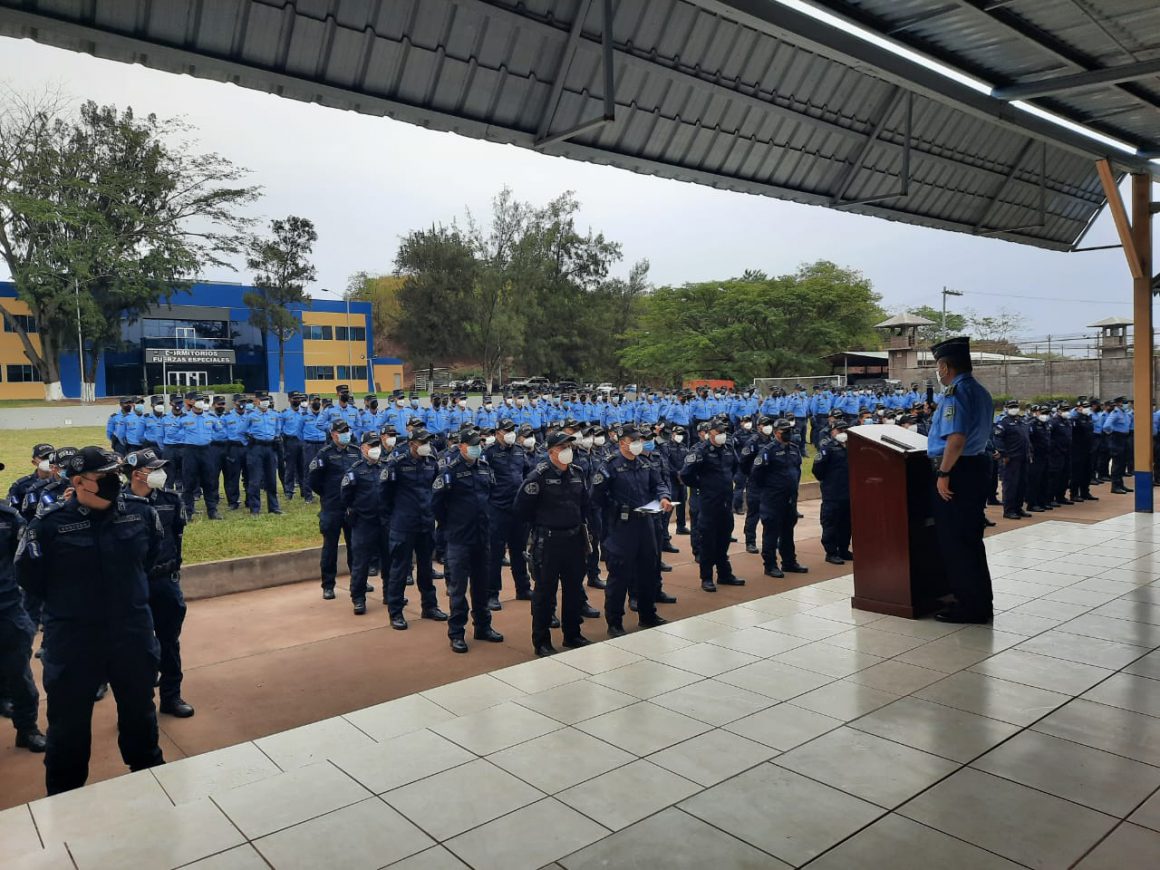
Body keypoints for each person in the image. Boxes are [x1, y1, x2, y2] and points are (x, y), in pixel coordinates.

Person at [16, 446, 165, 794]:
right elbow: (30, 576)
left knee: (141, 713)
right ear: (79, 481)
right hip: (73, 639)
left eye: (117, 475)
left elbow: (150, 559)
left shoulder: (141, 514)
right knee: (67, 726)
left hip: (131, 632)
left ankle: (151, 781)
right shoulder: (49, 526)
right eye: (105, 477)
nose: (116, 482)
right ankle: (66, 797)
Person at [927, 336, 994, 624]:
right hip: (975, 466)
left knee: (956, 541)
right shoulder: (979, 391)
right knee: (970, 539)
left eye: (938, 366)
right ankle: (979, 600)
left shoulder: (956, 393)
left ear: (946, 366)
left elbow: (956, 438)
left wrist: (943, 473)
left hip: (958, 470)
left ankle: (969, 606)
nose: (938, 372)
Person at [124, 449, 193, 718]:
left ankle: (171, 696)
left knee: (169, 642)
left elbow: (177, 536)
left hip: (165, 581)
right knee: (134, 647)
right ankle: (139, 706)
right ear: (136, 474)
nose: (159, 474)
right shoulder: (118, 503)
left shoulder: (170, 500)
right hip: (132, 585)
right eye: (152, 469)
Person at [592, 426, 672, 636]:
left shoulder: (645, 463)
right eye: (634, 440)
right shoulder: (610, 465)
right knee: (620, 575)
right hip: (621, 527)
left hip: (645, 523)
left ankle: (648, 615)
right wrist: (614, 510)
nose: (639, 444)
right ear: (622, 443)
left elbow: (659, 484)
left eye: (640, 440)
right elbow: (596, 497)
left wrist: (664, 497)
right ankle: (615, 622)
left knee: (648, 570)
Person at [516, 432, 592, 655]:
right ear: (551, 452)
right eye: (562, 447)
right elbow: (521, 508)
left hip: (574, 539)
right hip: (548, 542)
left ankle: (572, 634)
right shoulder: (538, 476)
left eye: (569, 446)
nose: (568, 450)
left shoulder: (577, 473)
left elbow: (585, 504)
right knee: (544, 593)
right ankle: (541, 641)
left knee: (574, 590)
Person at [432, 430, 505, 653]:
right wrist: (450, 524)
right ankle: (456, 633)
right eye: (473, 444)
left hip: (482, 537)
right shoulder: (449, 472)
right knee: (458, 589)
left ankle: (483, 626)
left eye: (479, 444)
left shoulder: (485, 469)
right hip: (459, 538)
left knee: (481, 586)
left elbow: (490, 497)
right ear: (462, 446)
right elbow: (436, 505)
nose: (477, 447)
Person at [0, 455, 46, 754]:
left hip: (6, 607)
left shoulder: (7, 518)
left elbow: (24, 561)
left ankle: (26, 728)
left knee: (19, 671)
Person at [380, 430, 448, 630]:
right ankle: (396, 612)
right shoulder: (398, 463)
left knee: (426, 568)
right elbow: (384, 494)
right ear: (412, 444)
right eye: (422, 442)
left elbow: (436, 488)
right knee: (399, 569)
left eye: (428, 441)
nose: (426, 445)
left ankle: (430, 606)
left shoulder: (431, 462)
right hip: (403, 524)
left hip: (425, 523)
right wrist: (392, 518)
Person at [679, 418, 744, 593]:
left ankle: (724, 573)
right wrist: (702, 484)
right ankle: (706, 577)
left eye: (724, 432)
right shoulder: (701, 451)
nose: (722, 435)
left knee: (724, 538)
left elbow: (736, 467)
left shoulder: (728, 449)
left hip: (725, 502)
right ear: (710, 433)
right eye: (719, 432)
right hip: (708, 502)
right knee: (707, 541)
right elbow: (685, 474)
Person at [308, 420, 361, 600]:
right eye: (341, 432)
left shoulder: (356, 452)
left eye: (347, 431)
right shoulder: (325, 454)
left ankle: (358, 581)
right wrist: (328, 495)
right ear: (333, 435)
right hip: (332, 506)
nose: (345, 434)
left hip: (351, 507)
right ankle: (328, 585)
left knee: (355, 545)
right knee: (330, 547)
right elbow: (314, 481)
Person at [484, 419, 533, 609]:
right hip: (497, 509)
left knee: (519, 551)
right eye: (507, 430)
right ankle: (492, 594)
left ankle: (523, 588)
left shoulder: (520, 451)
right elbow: (483, 479)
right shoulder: (489, 453)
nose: (510, 433)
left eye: (513, 430)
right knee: (495, 554)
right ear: (498, 433)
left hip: (518, 510)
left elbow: (527, 474)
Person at [750, 419, 808, 578]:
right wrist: (770, 489)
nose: (789, 434)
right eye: (785, 431)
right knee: (771, 533)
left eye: (790, 430)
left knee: (788, 532)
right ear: (776, 433)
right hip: (773, 499)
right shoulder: (769, 451)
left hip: (790, 498)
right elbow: (756, 474)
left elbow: (797, 470)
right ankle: (770, 565)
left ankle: (789, 562)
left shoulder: (794, 449)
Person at [340, 432, 387, 615]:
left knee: (389, 561)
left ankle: (390, 594)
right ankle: (358, 598)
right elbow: (346, 497)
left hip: (384, 521)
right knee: (361, 563)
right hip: (364, 523)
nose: (375, 449)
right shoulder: (355, 471)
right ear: (363, 448)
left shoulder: (387, 467)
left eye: (377, 445)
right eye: (371, 446)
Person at [812, 419, 853, 564]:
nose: (843, 433)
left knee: (846, 523)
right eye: (839, 430)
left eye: (845, 430)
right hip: (832, 493)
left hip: (848, 493)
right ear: (833, 431)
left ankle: (843, 549)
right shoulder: (827, 448)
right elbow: (817, 470)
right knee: (831, 523)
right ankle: (831, 552)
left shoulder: (851, 446)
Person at [179, 393, 223, 520]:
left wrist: (209, 439)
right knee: (189, 483)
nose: (200, 402)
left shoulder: (211, 417)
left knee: (209, 481)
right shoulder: (184, 418)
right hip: (190, 451)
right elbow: (173, 433)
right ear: (192, 402)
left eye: (202, 400)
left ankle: (212, 511)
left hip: (206, 451)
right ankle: (188, 511)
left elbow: (220, 431)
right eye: (198, 400)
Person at [243, 391, 283, 516]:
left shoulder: (274, 415)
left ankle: (274, 507)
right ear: (256, 401)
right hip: (256, 448)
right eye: (262, 399)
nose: (265, 402)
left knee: (271, 478)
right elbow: (241, 431)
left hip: (270, 448)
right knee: (255, 480)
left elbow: (277, 430)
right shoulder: (250, 415)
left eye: (266, 399)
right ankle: (255, 509)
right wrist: (249, 444)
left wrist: (275, 438)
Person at [993, 399, 1031, 521]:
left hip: (1023, 457)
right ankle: (1009, 510)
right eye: (1011, 406)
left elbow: (1027, 439)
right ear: (1006, 408)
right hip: (1011, 459)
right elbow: (998, 440)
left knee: (1022, 484)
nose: (1014, 408)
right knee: (1011, 485)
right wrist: (1004, 454)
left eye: (1015, 406)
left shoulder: (1022, 421)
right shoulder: (1003, 423)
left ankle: (1018, 507)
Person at [280, 391, 309, 501]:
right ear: (289, 399)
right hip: (290, 442)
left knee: (303, 467)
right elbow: (280, 429)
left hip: (302, 442)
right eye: (294, 398)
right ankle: (289, 491)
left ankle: (304, 490)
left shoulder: (305, 413)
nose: (296, 400)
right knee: (290, 467)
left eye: (298, 398)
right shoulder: (284, 413)